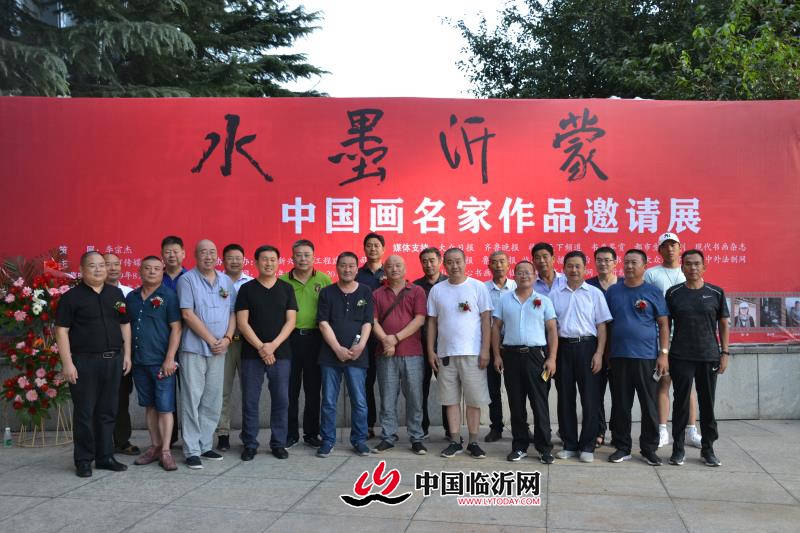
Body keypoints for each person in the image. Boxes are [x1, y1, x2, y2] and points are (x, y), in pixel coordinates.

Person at [55, 251, 132, 477]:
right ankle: (83, 460)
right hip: (84, 362)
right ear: (82, 270)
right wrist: (67, 363)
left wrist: (127, 354)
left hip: (113, 360)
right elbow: (61, 331)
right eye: (92, 265)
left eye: (101, 265)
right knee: (85, 413)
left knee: (108, 412)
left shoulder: (115, 293)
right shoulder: (71, 298)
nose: (98, 269)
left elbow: (124, 324)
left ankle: (105, 456)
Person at [605, 249, 670, 466]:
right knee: (621, 405)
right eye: (626, 262)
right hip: (619, 356)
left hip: (647, 357)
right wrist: (606, 353)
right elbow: (606, 324)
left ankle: (649, 448)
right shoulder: (613, 291)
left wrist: (663, 354)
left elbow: (663, 324)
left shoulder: (653, 292)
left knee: (649, 405)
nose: (629, 266)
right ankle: (622, 447)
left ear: (644, 266)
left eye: (634, 262)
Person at [666, 249, 730, 467]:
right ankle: (678, 449)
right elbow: (665, 325)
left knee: (707, 404)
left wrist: (725, 353)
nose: (692, 268)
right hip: (680, 356)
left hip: (708, 356)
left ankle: (708, 449)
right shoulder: (674, 293)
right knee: (681, 403)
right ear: (682, 267)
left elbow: (723, 324)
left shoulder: (716, 292)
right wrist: (664, 353)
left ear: (704, 267)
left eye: (696, 264)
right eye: (688, 264)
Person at [427, 248, 492, 459]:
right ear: (444, 264)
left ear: (465, 261)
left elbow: (486, 320)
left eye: (458, 261)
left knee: (473, 400)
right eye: (449, 262)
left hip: (473, 354)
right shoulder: (437, 290)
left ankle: (473, 442)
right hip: (445, 354)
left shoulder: (478, 287)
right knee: (450, 400)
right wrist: (431, 351)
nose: (454, 266)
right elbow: (432, 322)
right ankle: (455, 441)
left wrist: (485, 350)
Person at [176, 240, 236, 469]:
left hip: (220, 350)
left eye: (212, 252)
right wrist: (212, 340)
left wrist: (227, 339)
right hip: (194, 348)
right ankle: (191, 449)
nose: (208, 256)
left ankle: (204, 444)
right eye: (204, 252)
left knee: (212, 398)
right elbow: (187, 314)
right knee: (192, 399)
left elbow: (233, 312)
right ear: (195, 255)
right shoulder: (187, 280)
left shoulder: (225, 281)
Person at [491, 260, 558, 464]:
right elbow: (496, 328)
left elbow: (552, 330)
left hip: (536, 356)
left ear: (534, 276)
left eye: (528, 272)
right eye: (520, 272)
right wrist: (497, 355)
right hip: (511, 356)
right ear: (514, 275)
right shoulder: (505, 300)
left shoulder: (544, 301)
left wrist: (552, 358)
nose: (524, 275)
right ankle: (519, 446)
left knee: (540, 404)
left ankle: (544, 448)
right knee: (516, 403)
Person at [235, 245, 297, 460]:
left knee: (281, 399)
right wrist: (262, 347)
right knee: (250, 400)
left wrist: (273, 346)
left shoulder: (286, 288)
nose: (269, 263)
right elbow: (242, 323)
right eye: (264, 259)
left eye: (273, 259)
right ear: (256, 263)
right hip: (251, 354)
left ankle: (278, 443)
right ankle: (250, 443)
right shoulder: (247, 289)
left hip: (281, 353)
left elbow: (291, 322)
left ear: (278, 262)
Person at [549, 251, 612, 463]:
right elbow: (551, 328)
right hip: (563, 349)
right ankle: (569, 444)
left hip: (588, 348)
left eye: (578, 266)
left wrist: (599, 353)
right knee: (565, 398)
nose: (574, 270)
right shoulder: (554, 294)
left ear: (585, 269)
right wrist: (552, 356)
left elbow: (601, 326)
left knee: (590, 399)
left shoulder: (595, 294)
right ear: (563, 268)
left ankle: (588, 445)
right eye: (570, 266)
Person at [644, 232, 702, 449]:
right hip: (662, 336)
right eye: (665, 245)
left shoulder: (688, 271)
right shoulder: (651, 274)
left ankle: (691, 430)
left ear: (680, 248)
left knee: (687, 386)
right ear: (659, 250)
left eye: (673, 245)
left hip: (687, 337)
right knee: (664, 381)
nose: (670, 249)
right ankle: (662, 430)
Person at [316, 252, 374, 457]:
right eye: (343, 265)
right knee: (329, 401)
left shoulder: (365, 291)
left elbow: (368, 322)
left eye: (351, 266)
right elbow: (323, 323)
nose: (347, 269)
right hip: (330, 356)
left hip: (358, 356)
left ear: (357, 268)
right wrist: (337, 348)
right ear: (337, 267)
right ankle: (328, 440)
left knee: (359, 401)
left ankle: (359, 440)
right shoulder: (327, 292)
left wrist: (361, 346)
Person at [127, 256, 182, 471]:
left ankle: (166, 451)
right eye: (147, 268)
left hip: (161, 362)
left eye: (156, 269)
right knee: (149, 405)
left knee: (165, 407)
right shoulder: (131, 297)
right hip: (139, 361)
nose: (151, 272)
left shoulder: (169, 296)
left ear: (162, 272)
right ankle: (155, 446)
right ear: (140, 271)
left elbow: (176, 328)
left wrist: (170, 358)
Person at [371, 255, 428, 455]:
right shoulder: (377, 294)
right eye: (390, 266)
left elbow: (419, 319)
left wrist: (395, 338)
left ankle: (416, 437)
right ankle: (388, 436)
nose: (394, 269)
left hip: (412, 353)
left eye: (398, 265)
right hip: (385, 354)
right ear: (384, 270)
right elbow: (373, 321)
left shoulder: (417, 291)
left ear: (405, 268)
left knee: (414, 397)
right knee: (387, 398)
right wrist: (386, 341)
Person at [280, 239, 331, 448]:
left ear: (314, 257)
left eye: (307, 255)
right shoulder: (282, 281)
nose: (303, 259)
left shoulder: (324, 280)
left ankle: (311, 433)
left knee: (313, 389)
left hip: (316, 339)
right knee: (289, 389)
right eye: (299, 255)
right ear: (292, 257)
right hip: (289, 339)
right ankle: (290, 433)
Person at [216, 243, 253, 452]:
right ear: (223, 261)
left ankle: (249, 434)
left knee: (250, 390)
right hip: (225, 343)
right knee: (223, 391)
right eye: (230, 258)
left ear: (244, 260)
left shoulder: (252, 283)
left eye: (238, 258)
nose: (235, 261)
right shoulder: (216, 282)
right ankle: (223, 433)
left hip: (248, 343)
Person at [104, 252, 138, 457]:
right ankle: (101, 442)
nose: (113, 268)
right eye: (108, 264)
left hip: (123, 352)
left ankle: (122, 440)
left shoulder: (129, 294)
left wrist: (128, 354)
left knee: (121, 398)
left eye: (116, 264)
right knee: (99, 399)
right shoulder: (91, 293)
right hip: (98, 352)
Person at [413, 247, 449, 440]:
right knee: (420, 390)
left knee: (448, 389)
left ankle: (450, 429)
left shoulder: (450, 283)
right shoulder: (415, 287)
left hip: (444, 346)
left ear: (440, 261)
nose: (428, 264)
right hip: (419, 346)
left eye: (432, 260)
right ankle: (422, 428)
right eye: (424, 261)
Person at [586, 246, 619, 449]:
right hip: (595, 347)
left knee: (620, 393)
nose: (603, 263)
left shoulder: (623, 284)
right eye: (599, 260)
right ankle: (599, 430)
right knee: (595, 392)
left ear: (615, 262)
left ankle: (618, 431)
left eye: (607, 260)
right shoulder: (588, 285)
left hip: (618, 347)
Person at [355, 232, 387, 439]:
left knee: (388, 384)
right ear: (364, 249)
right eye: (369, 245)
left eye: (376, 245)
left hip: (387, 337)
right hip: (365, 338)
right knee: (365, 383)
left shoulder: (392, 272)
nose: (373, 248)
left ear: (383, 249)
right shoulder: (357, 275)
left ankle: (389, 427)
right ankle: (367, 425)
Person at [484, 250, 515, 443]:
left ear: (508, 265)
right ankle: (496, 427)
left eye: (502, 261)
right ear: (489, 266)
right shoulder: (482, 288)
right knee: (492, 389)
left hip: (513, 344)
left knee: (516, 389)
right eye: (494, 262)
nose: (498, 265)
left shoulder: (517, 286)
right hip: (490, 344)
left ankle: (520, 427)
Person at [160, 235, 187, 447]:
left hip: (188, 342)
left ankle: (190, 437)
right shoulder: (155, 278)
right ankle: (169, 438)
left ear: (183, 254)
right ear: (162, 255)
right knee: (166, 392)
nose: (172, 255)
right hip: (163, 342)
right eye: (168, 252)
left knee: (188, 391)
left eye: (175, 251)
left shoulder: (192, 278)